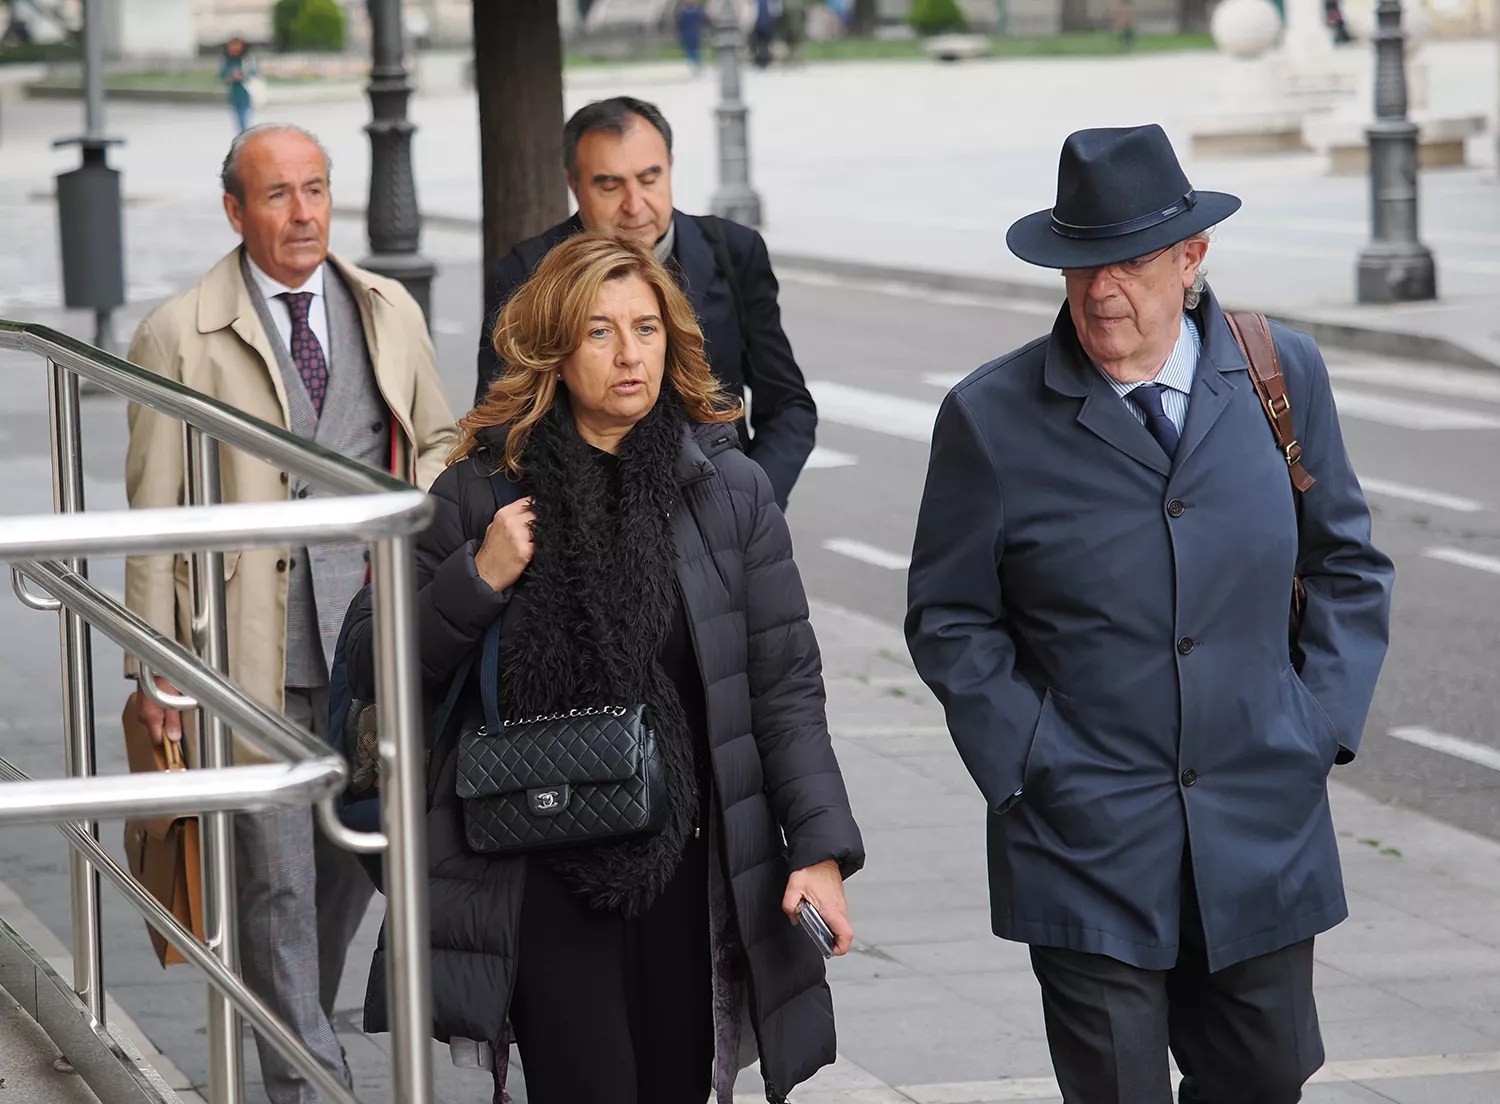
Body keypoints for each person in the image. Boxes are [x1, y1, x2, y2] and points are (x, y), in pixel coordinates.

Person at [906, 124, 1393, 1103]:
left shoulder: (1281, 374)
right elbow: (949, 618)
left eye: (1127, 262)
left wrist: (1315, 725)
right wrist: (1032, 761)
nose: (1101, 291)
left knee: (1264, 1082)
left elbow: (1347, 562)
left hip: (1260, 824)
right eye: (1080, 265)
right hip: (1084, 840)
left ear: (1190, 258)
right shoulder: (989, 417)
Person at [350, 232, 863, 1104]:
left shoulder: (728, 492)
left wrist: (818, 851)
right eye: (600, 332)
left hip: (687, 866)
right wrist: (479, 578)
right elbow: (375, 662)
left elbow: (783, 689)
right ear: (554, 348)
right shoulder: (481, 490)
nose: (630, 354)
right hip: (538, 863)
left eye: (646, 329)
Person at [123, 123, 457, 1104]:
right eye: (278, 194)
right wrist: (153, 671)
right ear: (236, 210)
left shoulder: (386, 309)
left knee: (342, 878)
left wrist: (412, 525)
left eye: (315, 189)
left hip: (370, 650)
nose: (304, 213)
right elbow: (151, 515)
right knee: (274, 891)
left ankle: (286, 1033)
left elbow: (439, 440)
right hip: (248, 658)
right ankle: (313, 1087)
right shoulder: (177, 334)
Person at [475, 96, 816, 511]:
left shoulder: (735, 251)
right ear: (574, 185)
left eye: (650, 178)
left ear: (669, 167)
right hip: (584, 517)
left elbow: (788, 406)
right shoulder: (527, 271)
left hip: (721, 510)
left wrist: (750, 506)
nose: (634, 205)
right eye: (610, 186)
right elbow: (500, 424)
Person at [220, 36, 257, 134]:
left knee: (244, 117)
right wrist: (230, 75)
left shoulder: (247, 59)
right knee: (238, 119)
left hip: (247, 92)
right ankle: (243, 134)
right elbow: (222, 75)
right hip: (234, 93)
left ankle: (245, 135)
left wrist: (243, 75)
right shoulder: (228, 60)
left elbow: (254, 73)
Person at [677, 0, 708, 74]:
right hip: (695, 33)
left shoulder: (683, 12)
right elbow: (704, 20)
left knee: (691, 49)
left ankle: (694, 63)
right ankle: (697, 63)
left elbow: (680, 24)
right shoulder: (696, 11)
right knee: (695, 49)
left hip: (687, 34)